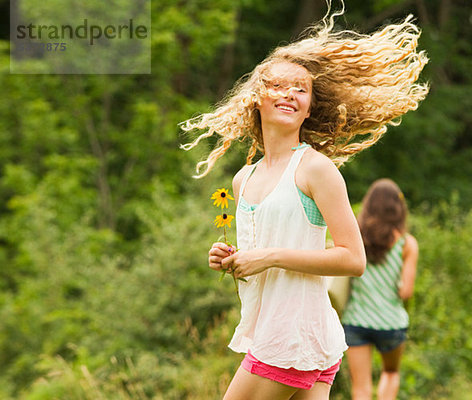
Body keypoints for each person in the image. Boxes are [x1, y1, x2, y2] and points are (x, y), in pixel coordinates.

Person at [181, 3, 429, 398]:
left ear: (310, 107)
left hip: (290, 339)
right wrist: (232, 261)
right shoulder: (243, 179)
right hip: (288, 335)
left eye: (301, 89)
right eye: (278, 86)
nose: (290, 94)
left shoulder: (315, 169)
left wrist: (270, 256)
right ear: (256, 98)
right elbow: (260, 263)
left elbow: (353, 258)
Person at [340, 179, 418, 400]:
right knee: (391, 373)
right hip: (391, 322)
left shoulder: (357, 236)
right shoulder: (406, 243)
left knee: (361, 388)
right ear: (398, 208)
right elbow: (406, 292)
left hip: (356, 321)